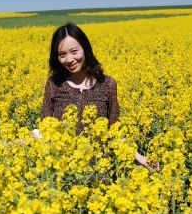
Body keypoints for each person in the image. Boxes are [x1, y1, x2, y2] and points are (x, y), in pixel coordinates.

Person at [39, 23, 158, 171]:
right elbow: (44, 129)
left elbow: (115, 132)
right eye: (62, 55)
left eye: (74, 51)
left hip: (98, 172)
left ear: (85, 48)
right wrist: (15, 143)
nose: (69, 59)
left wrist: (140, 157)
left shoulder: (107, 84)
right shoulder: (54, 84)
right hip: (63, 172)